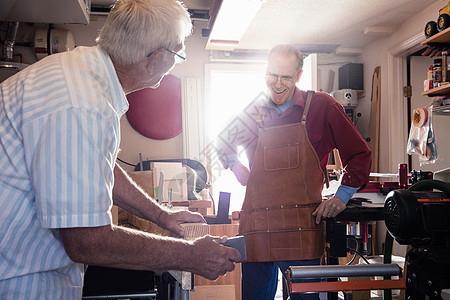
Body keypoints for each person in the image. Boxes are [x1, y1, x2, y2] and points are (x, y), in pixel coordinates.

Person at [0, 0, 240, 298]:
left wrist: (161, 215)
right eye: (178, 53)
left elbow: (99, 166)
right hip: (17, 280)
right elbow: (87, 241)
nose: (176, 63)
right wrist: (190, 255)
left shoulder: (83, 73)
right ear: (154, 58)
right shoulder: (82, 103)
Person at [217, 44, 372, 299]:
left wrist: (341, 197)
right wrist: (235, 166)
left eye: (286, 77)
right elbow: (223, 142)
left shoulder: (322, 106)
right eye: (272, 75)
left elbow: (359, 153)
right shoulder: (252, 112)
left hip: (302, 225)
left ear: (299, 76)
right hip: (257, 225)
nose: (277, 84)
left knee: (306, 296)